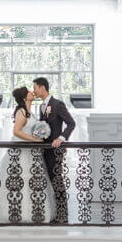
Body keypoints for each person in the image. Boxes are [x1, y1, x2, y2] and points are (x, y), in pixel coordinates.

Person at [0, 85, 54, 223]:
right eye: (29, 92)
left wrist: (41, 134)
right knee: (18, 180)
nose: (32, 92)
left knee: (31, 181)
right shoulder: (21, 112)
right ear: (25, 97)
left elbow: (31, 128)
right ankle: (14, 213)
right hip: (20, 153)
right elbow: (16, 131)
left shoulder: (30, 112)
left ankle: (33, 213)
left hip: (31, 153)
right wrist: (34, 140)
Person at [32, 76, 76, 221]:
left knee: (57, 179)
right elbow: (43, 127)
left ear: (42, 87)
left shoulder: (57, 104)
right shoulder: (41, 107)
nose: (34, 91)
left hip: (56, 150)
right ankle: (54, 211)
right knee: (50, 179)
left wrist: (61, 138)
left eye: (35, 87)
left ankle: (63, 214)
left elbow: (71, 123)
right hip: (45, 149)